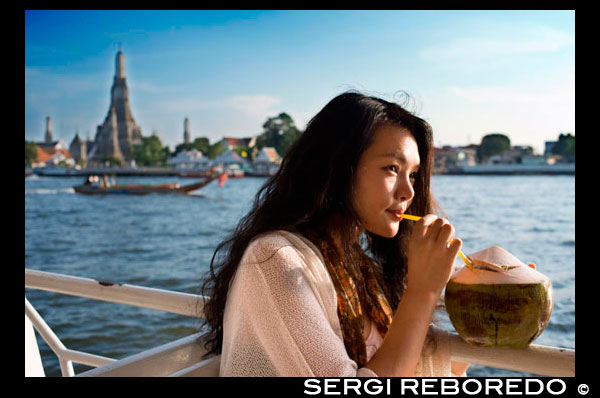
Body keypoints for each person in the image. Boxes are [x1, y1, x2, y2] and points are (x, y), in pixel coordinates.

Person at [200, 91, 470, 377]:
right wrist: (422, 292)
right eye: (392, 168)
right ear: (340, 168)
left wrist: (477, 299)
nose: (408, 192)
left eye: (413, 174)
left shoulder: (362, 271)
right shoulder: (274, 260)